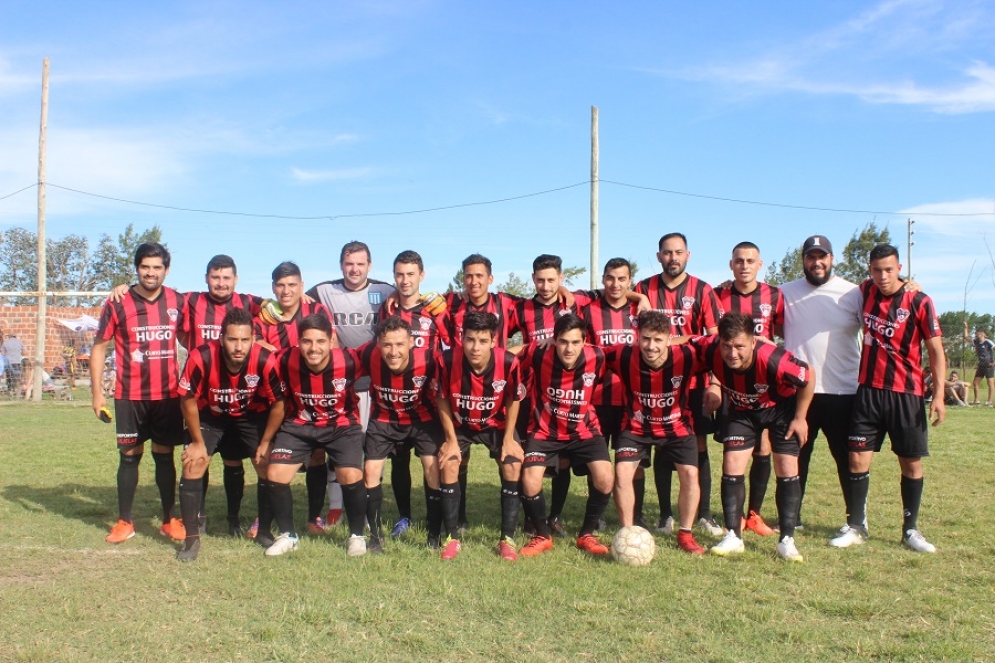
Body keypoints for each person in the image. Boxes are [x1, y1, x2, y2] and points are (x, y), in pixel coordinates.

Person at [831, 244, 945, 553]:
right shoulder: (865, 290)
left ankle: (911, 530)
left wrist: (939, 394)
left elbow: (935, 350)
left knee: (910, 463)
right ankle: (856, 526)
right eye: (877, 270)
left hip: (907, 395)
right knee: (856, 458)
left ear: (900, 269)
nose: (883, 276)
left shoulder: (919, 300)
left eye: (889, 269)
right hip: (867, 392)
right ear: (869, 271)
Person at [696, 312, 814, 562]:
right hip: (742, 411)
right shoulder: (710, 348)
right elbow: (681, 343)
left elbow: (808, 376)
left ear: (753, 341)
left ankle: (787, 540)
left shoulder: (775, 359)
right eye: (726, 346)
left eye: (739, 346)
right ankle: (733, 536)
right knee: (731, 466)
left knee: (787, 467)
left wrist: (800, 418)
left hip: (781, 410)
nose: (732, 353)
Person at [89, 242, 187, 544]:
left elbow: (199, 333)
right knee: (129, 457)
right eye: (145, 266)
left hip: (168, 395)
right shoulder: (118, 302)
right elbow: (98, 348)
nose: (151, 272)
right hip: (129, 395)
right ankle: (125, 521)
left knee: (164, 456)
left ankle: (170, 519)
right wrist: (96, 394)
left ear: (166, 270)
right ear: (137, 268)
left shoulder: (178, 301)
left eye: (157, 267)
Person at [256, 314, 370, 557]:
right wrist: (256, 340)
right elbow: (258, 354)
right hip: (300, 424)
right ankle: (288, 535)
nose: (314, 348)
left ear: (331, 341)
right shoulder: (286, 358)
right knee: (274, 474)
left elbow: (380, 346)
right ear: (299, 342)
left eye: (320, 341)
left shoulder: (349, 359)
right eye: (307, 342)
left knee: (349, 474)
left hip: (341, 424)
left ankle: (356, 536)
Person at [174, 308, 284, 560]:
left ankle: (264, 530)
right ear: (221, 337)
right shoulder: (201, 357)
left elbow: (279, 402)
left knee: (266, 464)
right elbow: (187, 400)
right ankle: (191, 540)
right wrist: (198, 443)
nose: (238, 346)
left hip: (249, 416)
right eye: (232, 339)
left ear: (253, 338)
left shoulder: (265, 360)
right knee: (193, 462)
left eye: (245, 340)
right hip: (210, 415)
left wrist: (266, 441)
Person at [635, 232, 722, 537]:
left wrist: (715, 384)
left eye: (679, 252)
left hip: (694, 381)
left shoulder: (703, 290)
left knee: (698, 444)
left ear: (688, 255)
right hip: (655, 383)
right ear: (659, 256)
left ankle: (705, 514)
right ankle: (663, 515)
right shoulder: (643, 288)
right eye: (667, 253)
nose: (673, 257)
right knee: (662, 444)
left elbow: (714, 340)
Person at [306, 241, 396, 530]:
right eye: (349, 263)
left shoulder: (385, 292)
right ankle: (335, 507)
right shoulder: (323, 291)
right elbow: (294, 299)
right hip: (339, 381)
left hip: (373, 383)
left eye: (360, 263)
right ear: (341, 265)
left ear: (369, 265)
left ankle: (367, 506)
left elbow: (412, 301)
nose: (354, 269)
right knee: (338, 444)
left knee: (370, 446)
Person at [780, 235, 864, 535]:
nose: (817, 262)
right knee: (795, 458)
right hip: (798, 392)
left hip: (844, 391)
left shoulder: (853, 293)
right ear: (803, 260)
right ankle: (792, 518)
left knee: (847, 459)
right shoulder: (785, 292)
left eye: (822, 256)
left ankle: (856, 520)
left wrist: (909, 285)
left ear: (832, 259)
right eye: (811, 257)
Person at [512, 313, 614, 557]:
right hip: (545, 430)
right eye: (563, 341)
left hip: (584, 430)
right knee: (530, 479)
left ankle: (586, 534)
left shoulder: (598, 356)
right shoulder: (539, 353)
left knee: (605, 478)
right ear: (555, 340)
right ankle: (542, 535)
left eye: (575, 342)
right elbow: (511, 353)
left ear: (585, 342)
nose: (569, 348)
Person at [608, 311, 706, 555]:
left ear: (669, 339)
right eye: (646, 339)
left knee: (690, 475)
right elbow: (587, 350)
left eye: (658, 340)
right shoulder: (623, 355)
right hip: (636, 426)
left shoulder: (687, 355)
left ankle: (685, 533)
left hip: (677, 426)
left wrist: (715, 385)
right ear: (638, 337)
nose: (651, 346)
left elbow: (717, 343)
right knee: (621, 473)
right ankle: (628, 532)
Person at [251, 261, 334, 540]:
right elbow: (255, 344)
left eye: (292, 285)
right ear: (273, 288)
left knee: (317, 453)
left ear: (301, 285)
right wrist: (277, 351)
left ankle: (314, 516)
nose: (286, 291)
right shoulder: (263, 315)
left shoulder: (316, 310)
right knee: (268, 454)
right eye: (280, 285)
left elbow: (329, 345)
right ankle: (263, 517)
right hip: (273, 394)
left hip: (311, 392)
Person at [435, 312, 526, 560]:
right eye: (470, 339)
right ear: (462, 338)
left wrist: (508, 439)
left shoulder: (508, 362)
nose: (475, 347)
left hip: (495, 423)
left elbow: (514, 398)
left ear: (493, 340)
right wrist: (451, 440)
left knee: (512, 465)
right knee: (449, 464)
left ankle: (507, 538)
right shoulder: (446, 360)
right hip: (461, 423)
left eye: (482, 341)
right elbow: (441, 397)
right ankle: (452, 537)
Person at [377, 250, 451, 539]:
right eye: (399, 274)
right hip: (395, 402)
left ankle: (439, 520)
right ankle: (404, 515)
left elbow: (452, 343)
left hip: (429, 401)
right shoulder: (388, 308)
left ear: (422, 275)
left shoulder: (434, 308)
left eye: (410, 274)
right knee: (400, 460)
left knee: (431, 461)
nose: (405, 280)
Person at [713, 242, 784, 536]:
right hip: (730, 382)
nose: (744, 265)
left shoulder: (774, 295)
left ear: (760, 264)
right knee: (734, 451)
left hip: (762, 381)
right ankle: (734, 516)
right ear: (731, 264)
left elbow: (781, 333)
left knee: (764, 446)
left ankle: (754, 514)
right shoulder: (718, 294)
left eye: (750, 260)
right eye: (739, 260)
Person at [359, 316, 442, 554]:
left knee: (433, 469)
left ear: (411, 343)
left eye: (399, 345)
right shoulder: (367, 354)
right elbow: (338, 362)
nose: (393, 351)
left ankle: (434, 533)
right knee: (370, 472)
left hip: (422, 420)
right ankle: (375, 537)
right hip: (384, 419)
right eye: (387, 345)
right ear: (377, 344)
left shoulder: (429, 358)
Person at [578, 258, 645, 527]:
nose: (615, 284)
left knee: (634, 464)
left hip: (632, 400)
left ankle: (636, 517)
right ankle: (598, 517)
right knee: (599, 462)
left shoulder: (641, 311)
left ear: (629, 281)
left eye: (621, 279)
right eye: (610, 278)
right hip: (597, 399)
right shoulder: (588, 311)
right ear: (603, 279)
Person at [964, 324, 994, 406]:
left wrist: (993, 362)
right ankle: (977, 401)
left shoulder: (988, 342)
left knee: (990, 383)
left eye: (978, 333)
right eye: (976, 333)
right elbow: (966, 337)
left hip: (989, 365)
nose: (976, 335)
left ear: (983, 334)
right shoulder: (976, 341)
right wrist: (966, 327)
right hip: (981, 365)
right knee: (975, 382)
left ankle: (989, 402)